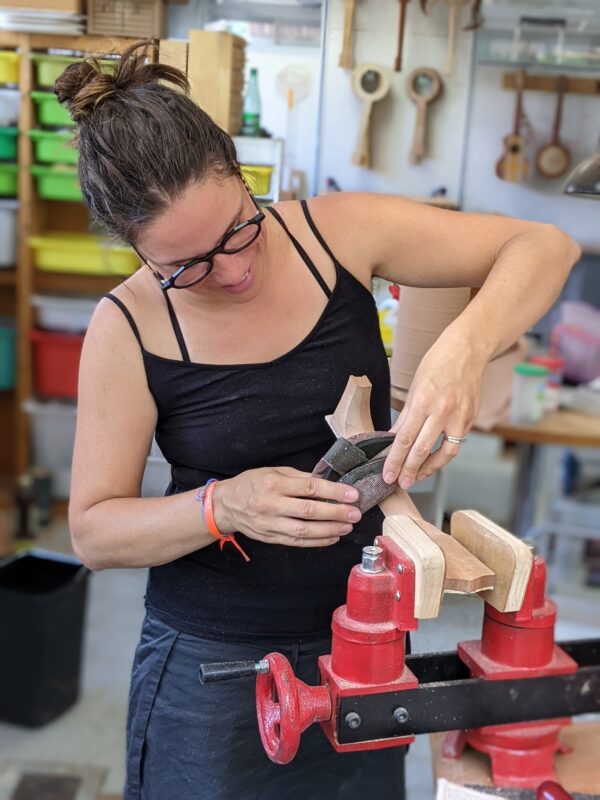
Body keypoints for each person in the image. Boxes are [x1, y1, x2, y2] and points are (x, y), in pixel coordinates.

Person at [61, 41, 580, 800]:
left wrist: (463, 350)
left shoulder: (336, 233)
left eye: (240, 229)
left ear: (241, 174)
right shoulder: (127, 329)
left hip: (369, 645)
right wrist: (221, 505)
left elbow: (546, 244)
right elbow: (93, 531)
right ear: (137, 252)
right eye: (189, 269)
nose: (233, 271)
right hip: (215, 669)